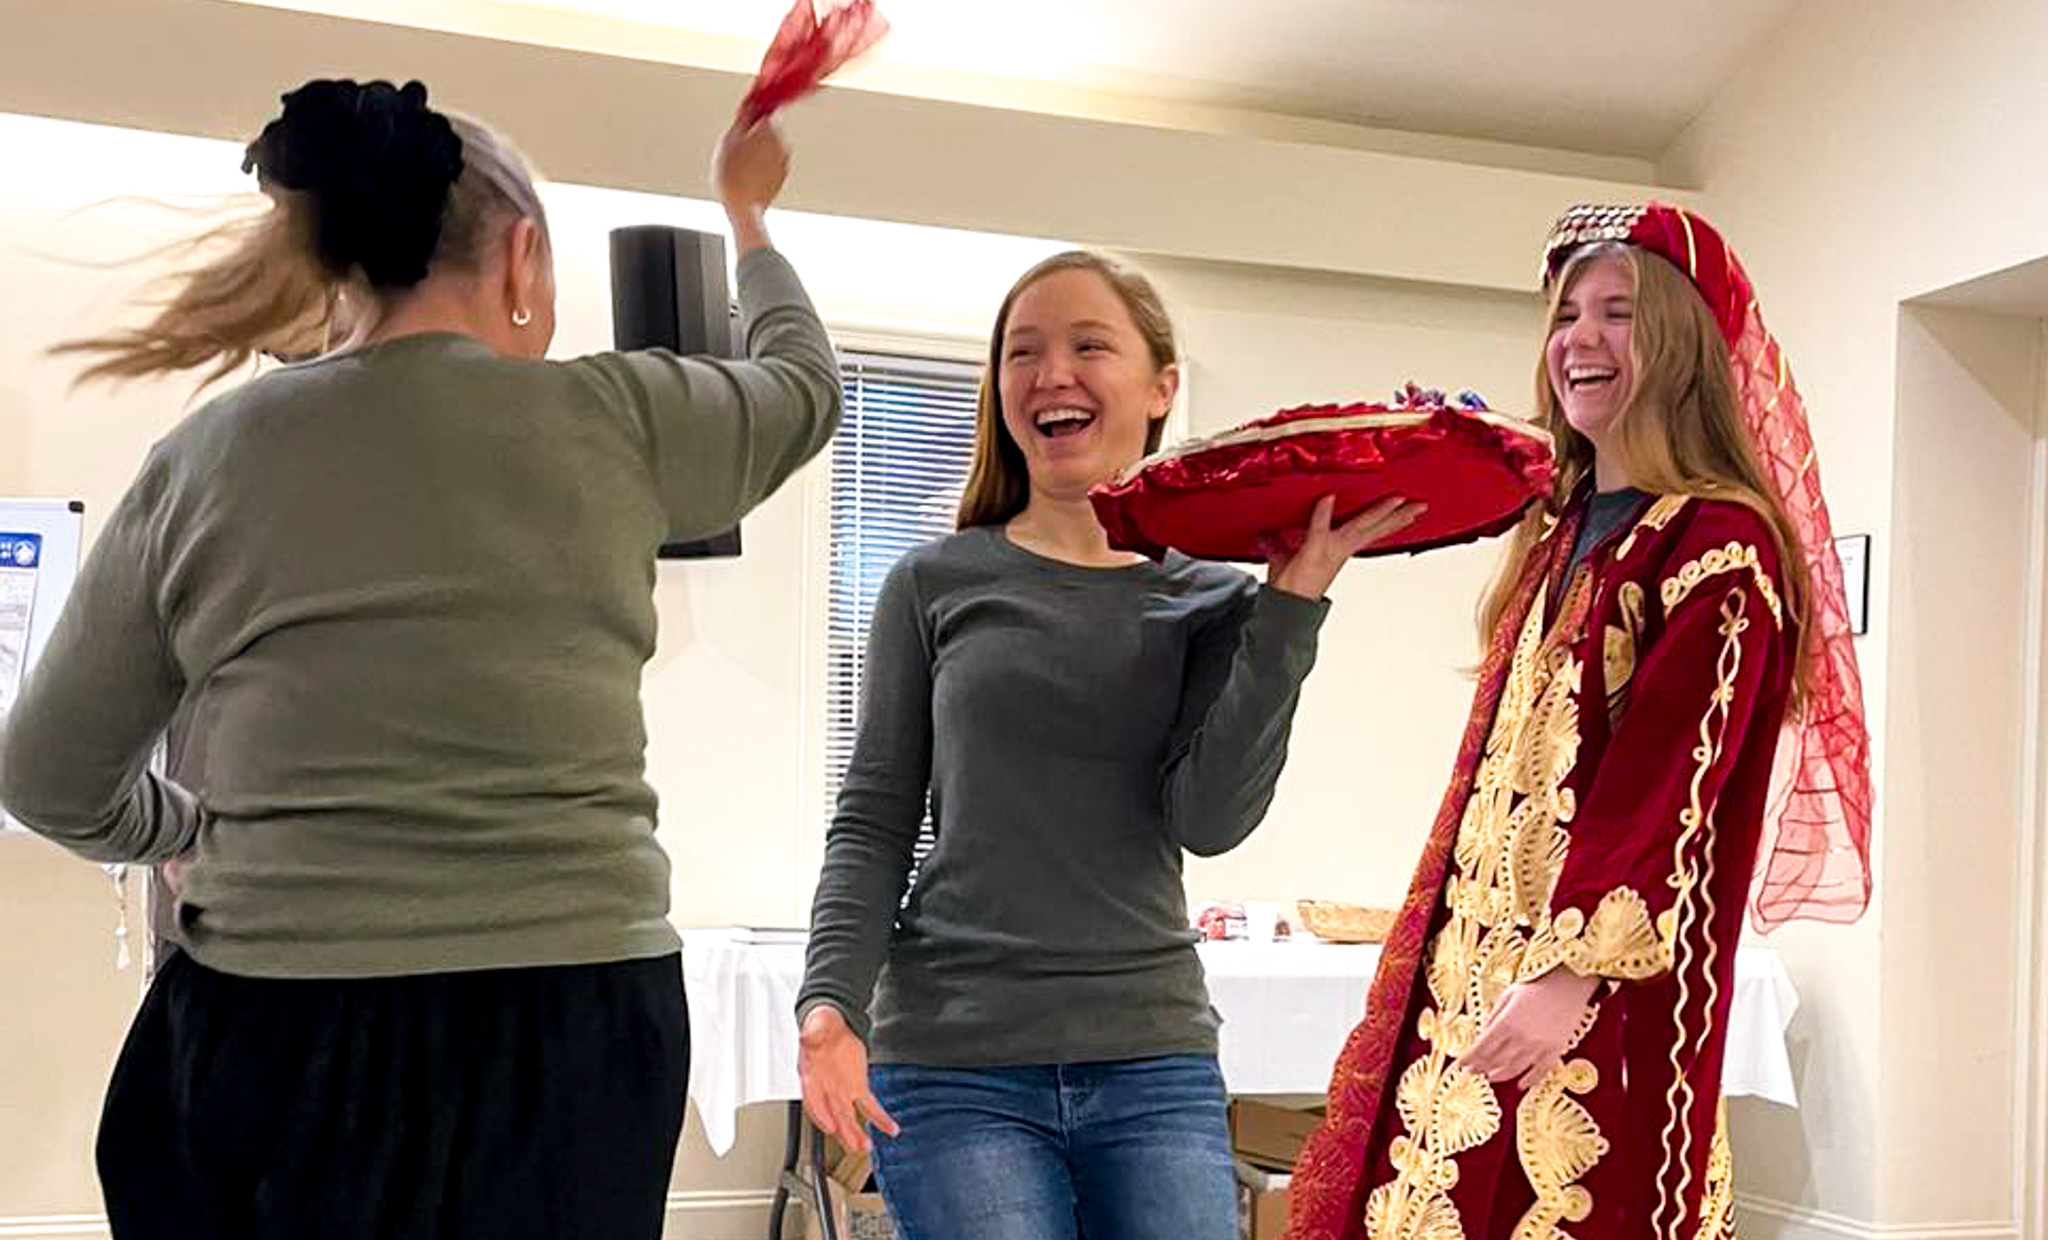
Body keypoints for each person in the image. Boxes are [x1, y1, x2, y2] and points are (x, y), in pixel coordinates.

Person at [0, 77, 842, 1240]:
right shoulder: (622, 418)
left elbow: (45, 773)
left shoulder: (209, 455)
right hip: (573, 1028)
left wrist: (189, 830)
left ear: (334, 261)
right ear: (522, 257)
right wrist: (747, 216)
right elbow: (805, 389)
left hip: (275, 1023)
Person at [794, 248, 1422, 1240]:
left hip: (1149, 1054)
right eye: (1023, 351)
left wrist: (1289, 610)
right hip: (953, 1057)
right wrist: (828, 1005)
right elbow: (873, 819)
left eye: (1090, 344)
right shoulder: (933, 582)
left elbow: (1208, 820)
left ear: (1160, 386)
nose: (1051, 373)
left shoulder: (1212, 595)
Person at [1284, 204, 1874, 1240]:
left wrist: (1565, 974)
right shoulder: (1563, 531)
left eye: (1617, 314)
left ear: (1682, 346)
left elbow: (1661, 786)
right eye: (1566, 315)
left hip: (1598, 987)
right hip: (1476, 972)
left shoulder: (1715, 545)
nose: (1579, 341)